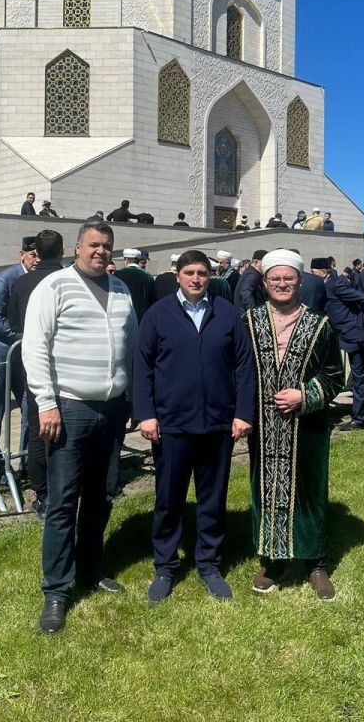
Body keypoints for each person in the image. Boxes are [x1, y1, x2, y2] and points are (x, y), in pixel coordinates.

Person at [21, 222, 137, 635]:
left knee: (102, 494)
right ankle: (56, 590)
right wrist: (46, 403)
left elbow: (132, 343)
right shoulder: (53, 287)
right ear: (77, 247)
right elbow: (35, 347)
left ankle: (89, 569)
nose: (101, 252)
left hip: (112, 409)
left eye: (107, 246)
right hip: (68, 408)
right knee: (63, 501)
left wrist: (133, 399)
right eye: (94, 245)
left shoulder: (121, 288)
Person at [133, 249, 255, 603]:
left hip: (218, 424)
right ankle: (166, 566)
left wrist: (243, 413)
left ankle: (209, 563)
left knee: (212, 499)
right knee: (168, 499)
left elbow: (244, 367)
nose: (196, 279)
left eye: (202, 272)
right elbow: (142, 365)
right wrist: (146, 413)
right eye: (189, 273)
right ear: (178, 276)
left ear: (211, 274)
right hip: (172, 424)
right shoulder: (158, 314)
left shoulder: (227, 313)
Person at [243, 249, 344, 599]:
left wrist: (305, 395)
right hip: (264, 426)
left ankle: (315, 562)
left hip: (308, 427)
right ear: (265, 282)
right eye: (275, 279)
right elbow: (237, 372)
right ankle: (273, 561)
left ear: (300, 281)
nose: (282, 284)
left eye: (288, 278)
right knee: (265, 488)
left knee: (309, 491)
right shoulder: (250, 322)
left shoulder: (320, 324)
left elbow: (334, 375)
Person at [8, 230, 65, 518]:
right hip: (65, 367)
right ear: (63, 250)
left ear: (36, 253)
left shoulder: (21, 283)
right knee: (64, 431)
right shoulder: (70, 281)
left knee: (37, 428)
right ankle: (61, 487)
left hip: (33, 366)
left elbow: (14, 322)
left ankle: (42, 493)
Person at [0, 237, 40, 472]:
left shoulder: (41, 278)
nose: (37, 259)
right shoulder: (5, 279)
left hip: (24, 357)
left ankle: (26, 459)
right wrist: (23, 336)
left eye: (40, 254)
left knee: (29, 408)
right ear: (21, 254)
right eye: (32, 254)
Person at [311, 258, 364, 431]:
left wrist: (360, 321)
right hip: (339, 335)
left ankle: (359, 419)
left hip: (354, 335)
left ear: (323, 272)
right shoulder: (326, 284)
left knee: (360, 376)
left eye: (314, 272)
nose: (312, 275)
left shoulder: (337, 284)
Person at [114, 248, 156, 323]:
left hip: (122, 319)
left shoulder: (117, 274)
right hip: (142, 320)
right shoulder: (148, 277)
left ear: (126, 260)